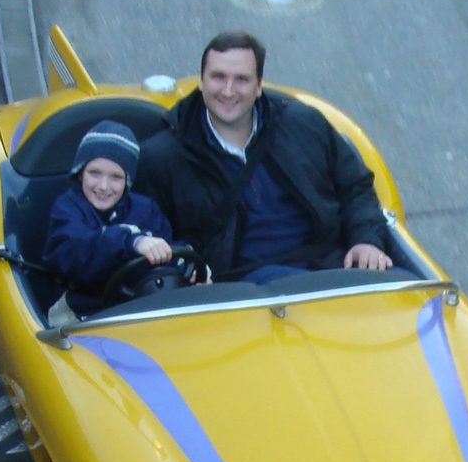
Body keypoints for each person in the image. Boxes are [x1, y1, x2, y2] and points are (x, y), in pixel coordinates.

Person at [135, 32, 392, 282]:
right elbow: (146, 231)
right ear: (201, 82)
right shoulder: (160, 158)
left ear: (259, 86)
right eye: (218, 77)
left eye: (241, 80)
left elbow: (355, 188)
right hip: (235, 292)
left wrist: (366, 240)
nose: (227, 90)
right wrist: (188, 267)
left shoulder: (306, 125)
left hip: (327, 270)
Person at [43, 121, 175, 309]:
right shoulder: (67, 208)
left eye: (116, 177)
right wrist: (131, 242)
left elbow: (166, 249)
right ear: (80, 173)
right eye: (95, 173)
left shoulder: (145, 209)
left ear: (127, 181)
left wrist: (186, 264)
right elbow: (75, 252)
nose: (103, 186)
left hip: (137, 306)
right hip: (79, 307)